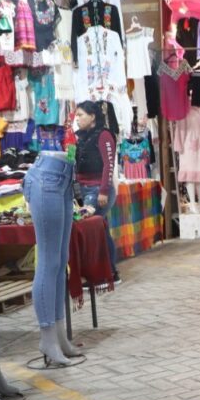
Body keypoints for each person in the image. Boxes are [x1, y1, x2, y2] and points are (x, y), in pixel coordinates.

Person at [75, 101, 120, 284]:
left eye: (81, 115)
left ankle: (102, 274)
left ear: (92, 116)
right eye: (76, 115)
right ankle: (109, 272)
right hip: (85, 189)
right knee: (100, 228)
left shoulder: (104, 135)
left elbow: (109, 164)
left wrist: (103, 191)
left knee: (92, 230)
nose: (77, 119)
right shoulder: (80, 136)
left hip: (98, 190)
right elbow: (75, 162)